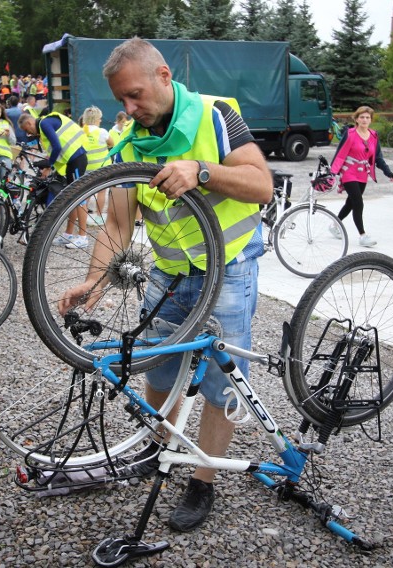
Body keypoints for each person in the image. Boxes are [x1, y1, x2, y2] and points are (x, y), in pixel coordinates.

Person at [57, 38, 272, 532]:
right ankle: (156, 447)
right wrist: (93, 284)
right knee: (157, 367)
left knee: (223, 381)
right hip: (170, 274)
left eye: (135, 95)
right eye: (121, 102)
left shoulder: (216, 116)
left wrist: (202, 172)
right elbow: (117, 225)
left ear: (163, 76)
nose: (130, 110)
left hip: (231, 268)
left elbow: (262, 185)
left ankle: (204, 479)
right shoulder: (129, 145)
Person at [18, 109, 89, 248]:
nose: (30, 134)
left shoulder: (44, 123)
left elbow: (57, 146)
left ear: (29, 122)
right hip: (72, 160)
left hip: (77, 159)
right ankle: (68, 234)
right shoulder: (45, 124)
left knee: (80, 198)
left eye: (28, 130)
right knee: (72, 198)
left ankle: (83, 236)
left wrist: (48, 165)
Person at [330, 106, 393, 247]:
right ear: (356, 119)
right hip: (349, 171)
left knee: (351, 202)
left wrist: (387, 171)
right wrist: (332, 173)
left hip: (362, 173)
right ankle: (363, 235)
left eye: (367, 117)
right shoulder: (350, 134)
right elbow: (340, 154)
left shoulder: (373, 135)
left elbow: (377, 157)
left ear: (371, 120)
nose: (365, 120)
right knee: (358, 203)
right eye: (362, 117)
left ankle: (334, 224)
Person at [80, 105, 114, 225]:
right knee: (102, 192)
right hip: (102, 167)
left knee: (85, 193)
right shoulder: (102, 132)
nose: (100, 120)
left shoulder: (81, 131)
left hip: (86, 167)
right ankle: (99, 217)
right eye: (99, 118)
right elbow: (112, 143)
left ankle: (82, 215)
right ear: (95, 119)